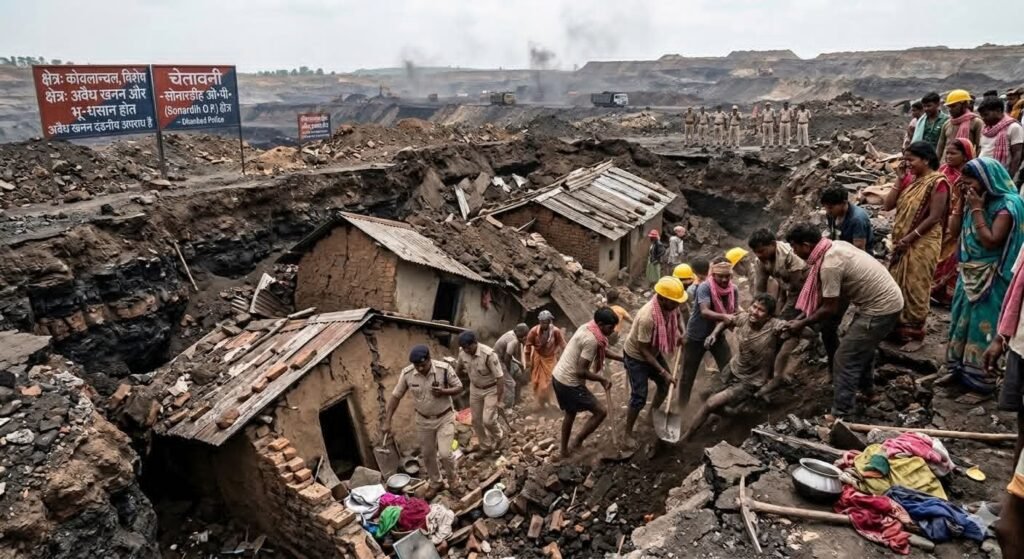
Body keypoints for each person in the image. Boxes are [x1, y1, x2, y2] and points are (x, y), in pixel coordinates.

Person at [784, 224, 904, 418]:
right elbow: (828, 299)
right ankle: (869, 393)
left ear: (806, 246)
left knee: (844, 357)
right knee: (862, 349)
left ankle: (842, 413)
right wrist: (800, 318)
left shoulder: (829, 265)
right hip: (886, 301)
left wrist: (802, 324)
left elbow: (829, 307)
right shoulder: (834, 246)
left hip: (880, 309)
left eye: (795, 247)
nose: (794, 252)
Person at [946, 158, 1024, 398]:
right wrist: (960, 203)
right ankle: (958, 369)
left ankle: (982, 379)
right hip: (969, 270)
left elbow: (991, 240)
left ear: (986, 181)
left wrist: (977, 209)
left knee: (984, 326)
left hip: (992, 274)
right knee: (962, 320)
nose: (965, 184)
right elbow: (954, 230)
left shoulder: (1007, 205)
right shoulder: (972, 199)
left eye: (969, 181)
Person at [680, 294, 789, 441]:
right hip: (732, 369)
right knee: (705, 396)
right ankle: (731, 414)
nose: (755, 312)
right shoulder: (744, 318)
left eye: (761, 310)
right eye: (754, 306)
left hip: (750, 381)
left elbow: (806, 332)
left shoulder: (774, 327)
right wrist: (714, 334)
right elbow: (726, 321)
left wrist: (787, 325)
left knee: (710, 404)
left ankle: (687, 437)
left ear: (769, 316)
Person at [884, 141, 950, 342]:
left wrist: (909, 238)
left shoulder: (938, 182)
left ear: (926, 159)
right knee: (897, 283)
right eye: (904, 160)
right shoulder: (911, 180)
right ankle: (896, 326)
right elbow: (888, 205)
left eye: (911, 160)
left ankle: (914, 332)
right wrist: (900, 179)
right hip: (903, 242)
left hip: (923, 242)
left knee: (916, 284)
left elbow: (934, 217)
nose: (907, 164)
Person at [382, 345, 462, 494]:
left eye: (423, 365)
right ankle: (436, 482)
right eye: (416, 365)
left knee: (445, 453)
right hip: (423, 421)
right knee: (428, 454)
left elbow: (459, 387)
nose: (419, 368)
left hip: (444, 417)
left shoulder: (444, 369)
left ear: (429, 360)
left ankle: (453, 480)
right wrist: (387, 420)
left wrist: (444, 391)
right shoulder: (407, 374)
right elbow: (395, 397)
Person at [622, 277, 685, 446]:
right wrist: (663, 372)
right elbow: (643, 350)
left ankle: (651, 416)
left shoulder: (670, 307)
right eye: (674, 302)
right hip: (637, 357)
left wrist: (681, 333)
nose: (677, 305)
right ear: (662, 299)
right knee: (639, 397)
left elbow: (677, 315)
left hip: (653, 350)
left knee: (665, 386)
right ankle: (627, 434)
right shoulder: (647, 317)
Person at [552, 307, 621, 458]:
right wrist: (602, 379)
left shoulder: (589, 327)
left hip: (558, 376)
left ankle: (564, 450)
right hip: (569, 382)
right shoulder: (591, 340)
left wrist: (621, 358)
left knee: (570, 412)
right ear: (601, 324)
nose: (612, 331)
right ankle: (576, 442)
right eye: (610, 328)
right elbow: (581, 371)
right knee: (600, 412)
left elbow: (601, 351)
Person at [679, 258, 738, 408]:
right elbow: (705, 312)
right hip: (696, 336)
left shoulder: (733, 290)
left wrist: (726, 322)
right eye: (720, 276)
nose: (724, 279)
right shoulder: (704, 287)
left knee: (729, 369)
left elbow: (734, 312)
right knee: (687, 376)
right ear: (713, 274)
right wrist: (725, 317)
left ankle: (726, 402)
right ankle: (681, 408)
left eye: (727, 276)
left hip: (717, 335)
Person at [932, 138, 976, 305]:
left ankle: (947, 296)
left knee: (951, 257)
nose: (948, 157)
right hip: (938, 219)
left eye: (953, 153)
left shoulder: (970, 177)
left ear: (965, 156)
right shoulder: (943, 171)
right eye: (947, 153)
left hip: (958, 221)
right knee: (937, 254)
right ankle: (934, 290)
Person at [455, 331, 504, 452]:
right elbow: (458, 370)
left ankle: (499, 437)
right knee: (476, 420)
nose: (467, 350)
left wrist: (499, 399)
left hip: (491, 389)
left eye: (469, 347)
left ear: (475, 343)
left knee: (488, 420)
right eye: (464, 348)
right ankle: (485, 446)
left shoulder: (488, 355)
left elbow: (500, 378)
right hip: (475, 389)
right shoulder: (462, 353)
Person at [748, 228, 807, 319]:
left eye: (761, 251)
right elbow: (760, 290)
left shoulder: (790, 256)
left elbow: (796, 292)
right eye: (755, 252)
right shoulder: (761, 260)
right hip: (787, 287)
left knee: (784, 322)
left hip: (806, 289)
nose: (758, 255)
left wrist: (780, 317)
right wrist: (756, 310)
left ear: (773, 244)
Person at [525, 310, 566, 410]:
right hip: (538, 358)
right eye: (541, 322)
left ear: (550, 321)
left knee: (550, 381)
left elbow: (563, 345)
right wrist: (528, 361)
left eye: (546, 322)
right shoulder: (534, 331)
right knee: (536, 382)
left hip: (550, 359)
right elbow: (528, 346)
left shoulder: (556, 331)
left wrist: (566, 358)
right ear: (539, 322)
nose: (543, 324)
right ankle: (540, 403)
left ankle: (551, 401)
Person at [978, 97, 1024, 177]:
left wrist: (1009, 177)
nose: (983, 118)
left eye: (986, 115)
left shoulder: (1013, 127)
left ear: (998, 111)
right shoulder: (986, 129)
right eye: (981, 116)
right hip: (983, 173)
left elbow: (1017, 155)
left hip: (1001, 175)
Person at [821, 185, 873, 251]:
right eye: (825, 207)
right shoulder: (832, 214)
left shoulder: (857, 220)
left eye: (830, 208)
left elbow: (859, 251)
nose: (827, 211)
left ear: (844, 203)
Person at [935, 89, 983, 159]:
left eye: (953, 106)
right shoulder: (947, 123)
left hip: (966, 164)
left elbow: (979, 147)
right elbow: (940, 146)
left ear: (964, 105)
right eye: (949, 106)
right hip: (946, 165)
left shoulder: (976, 122)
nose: (950, 109)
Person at [493, 323, 529, 407]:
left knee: (518, 374)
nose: (525, 337)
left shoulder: (512, 333)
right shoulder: (513, 340)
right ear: (519, 333)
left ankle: (517, 399)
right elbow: (507, 358)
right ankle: (508, 405)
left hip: (503, 357)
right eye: (524, 335)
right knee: (510, 383)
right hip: (497, 360)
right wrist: (508, 372)